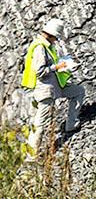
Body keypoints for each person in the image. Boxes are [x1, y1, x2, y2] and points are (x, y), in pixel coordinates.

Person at [21, 18, 85, 155]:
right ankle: (31, 156)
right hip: (45, 90)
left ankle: (71, 125)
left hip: (56, 86)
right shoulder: (40, 47)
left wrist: (63, 65)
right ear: (50, 35)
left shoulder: (46, 46)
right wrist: (57, 67)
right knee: (40, 123)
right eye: (55, 37)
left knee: (78, 91)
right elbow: (40, 71)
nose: (56, 40)